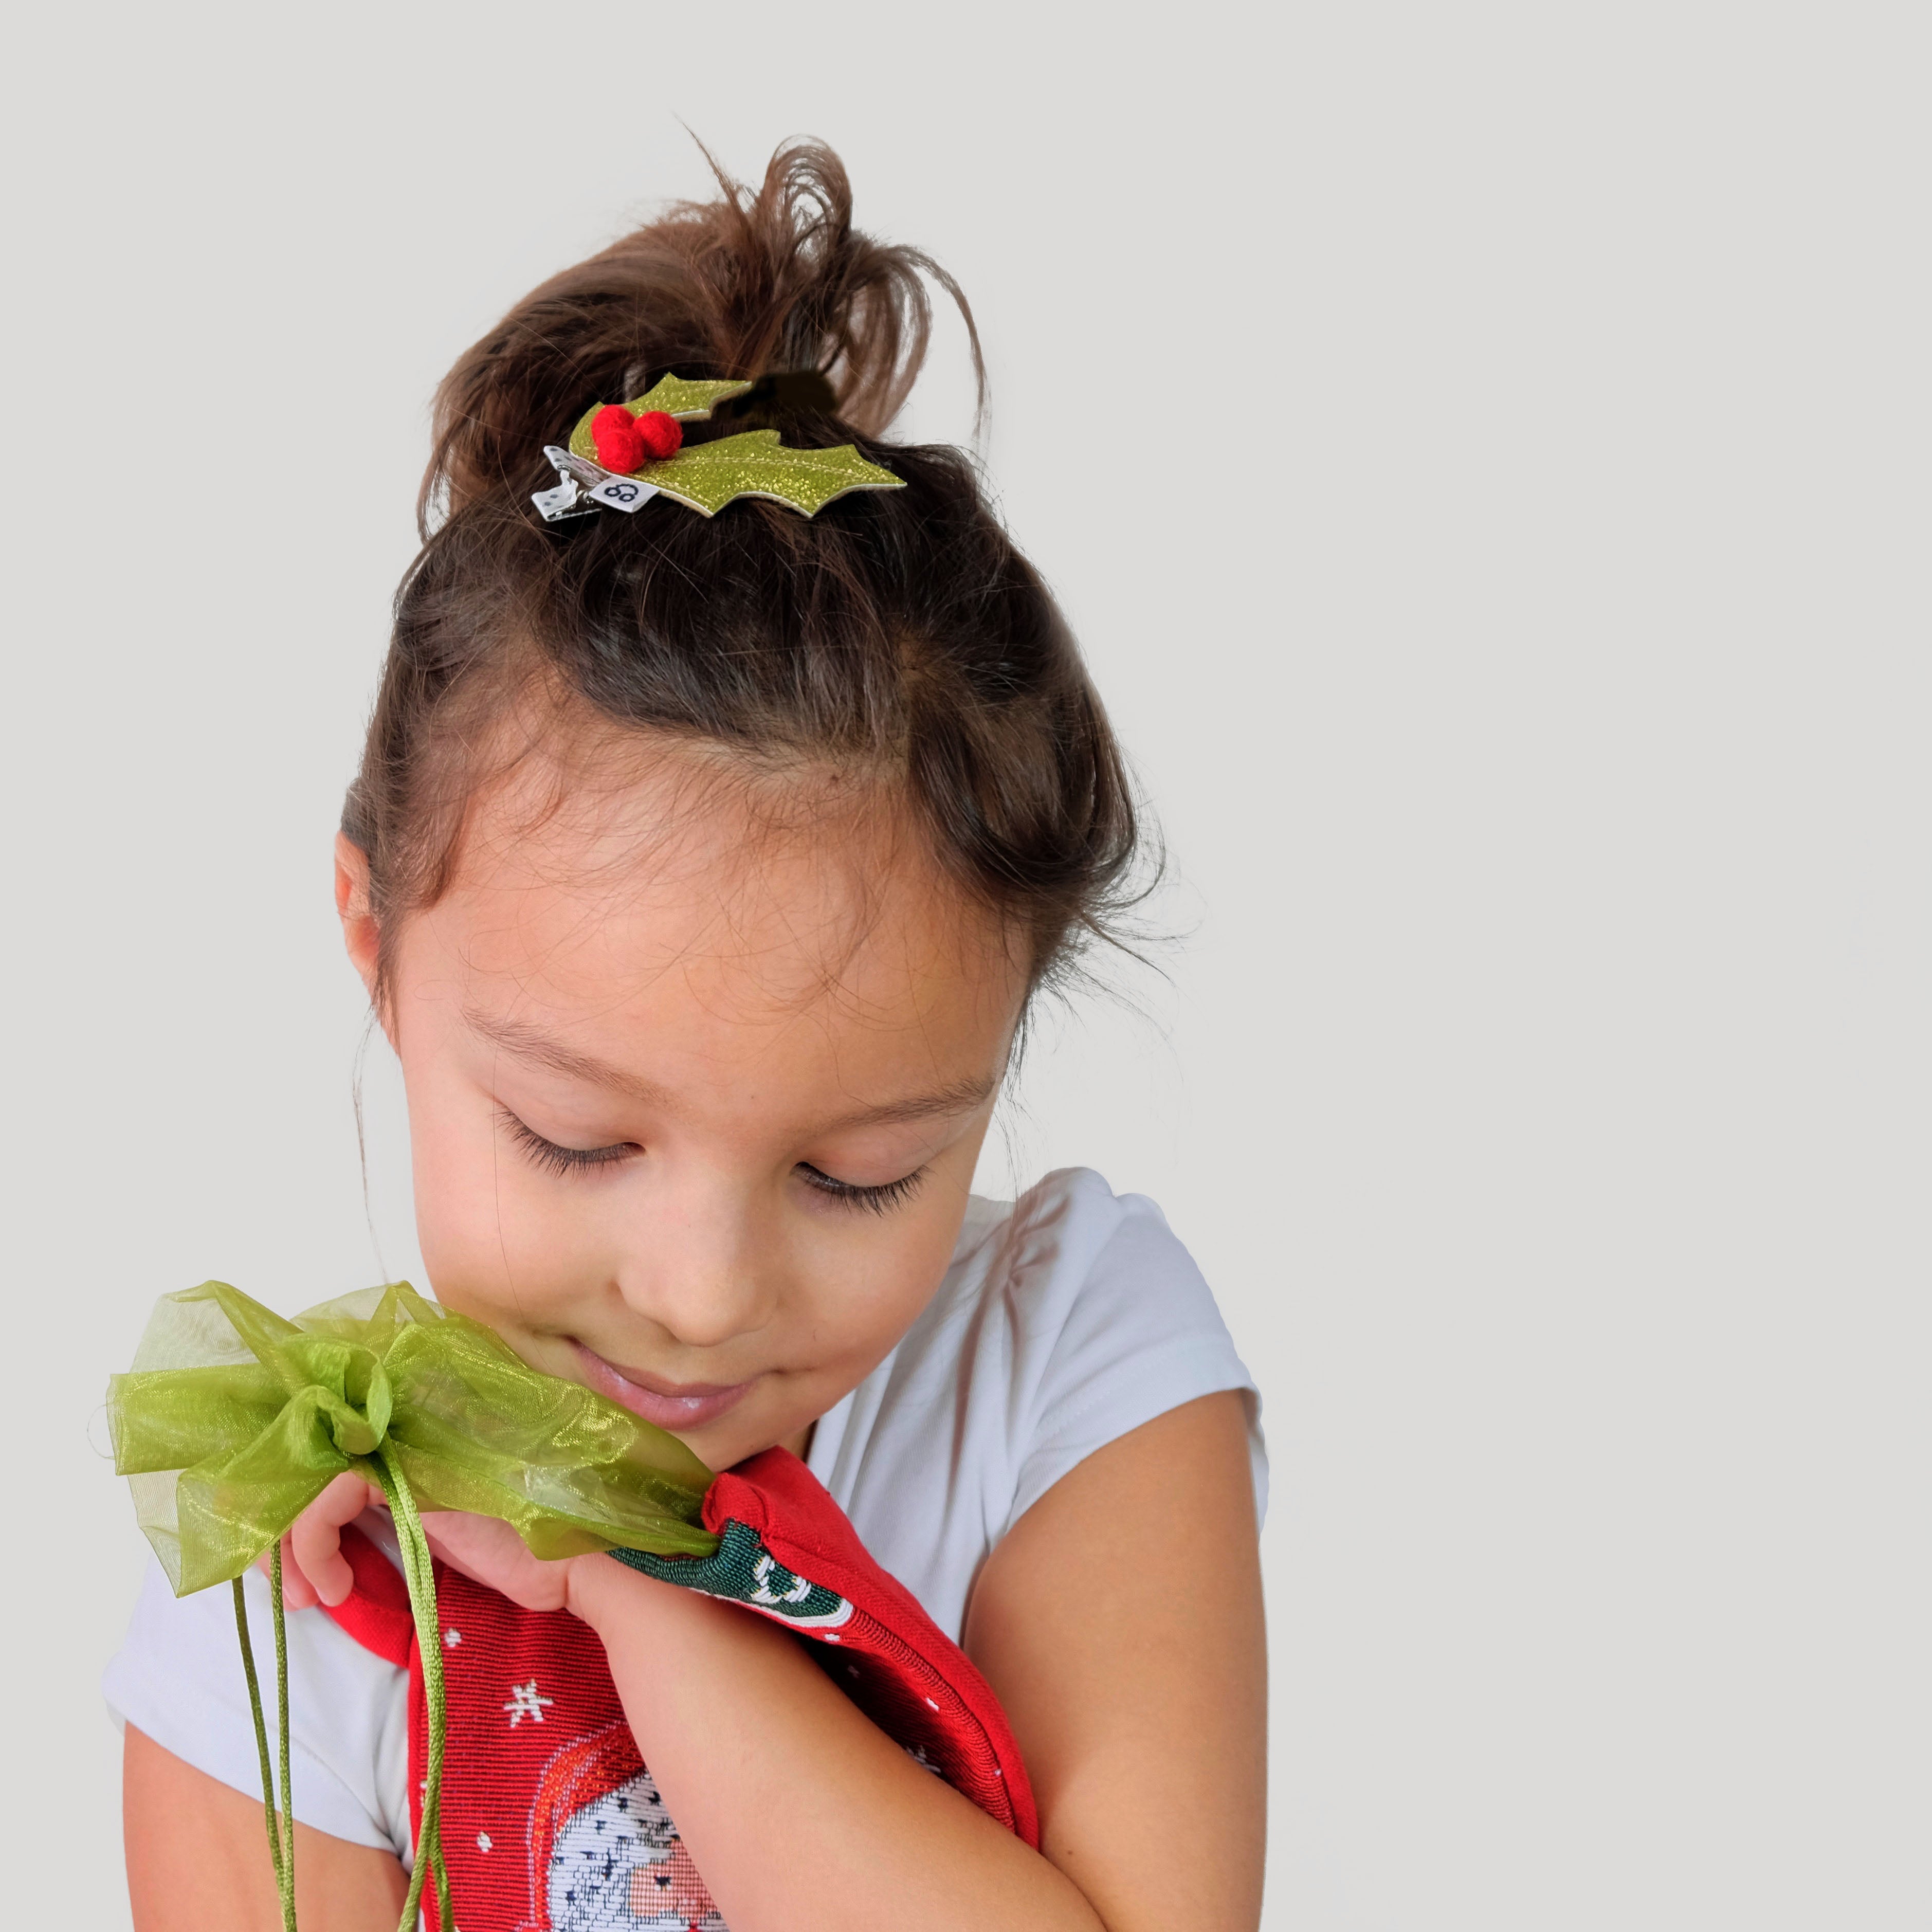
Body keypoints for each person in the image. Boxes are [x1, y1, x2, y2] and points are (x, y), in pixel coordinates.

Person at [104, 140, 1267, 1932]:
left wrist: (629, 1577)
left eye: (857, 1174)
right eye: (577, 1137)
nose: (705, 1292)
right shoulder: (296, 1583)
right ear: (376, 946)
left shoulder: (1060, 1370)